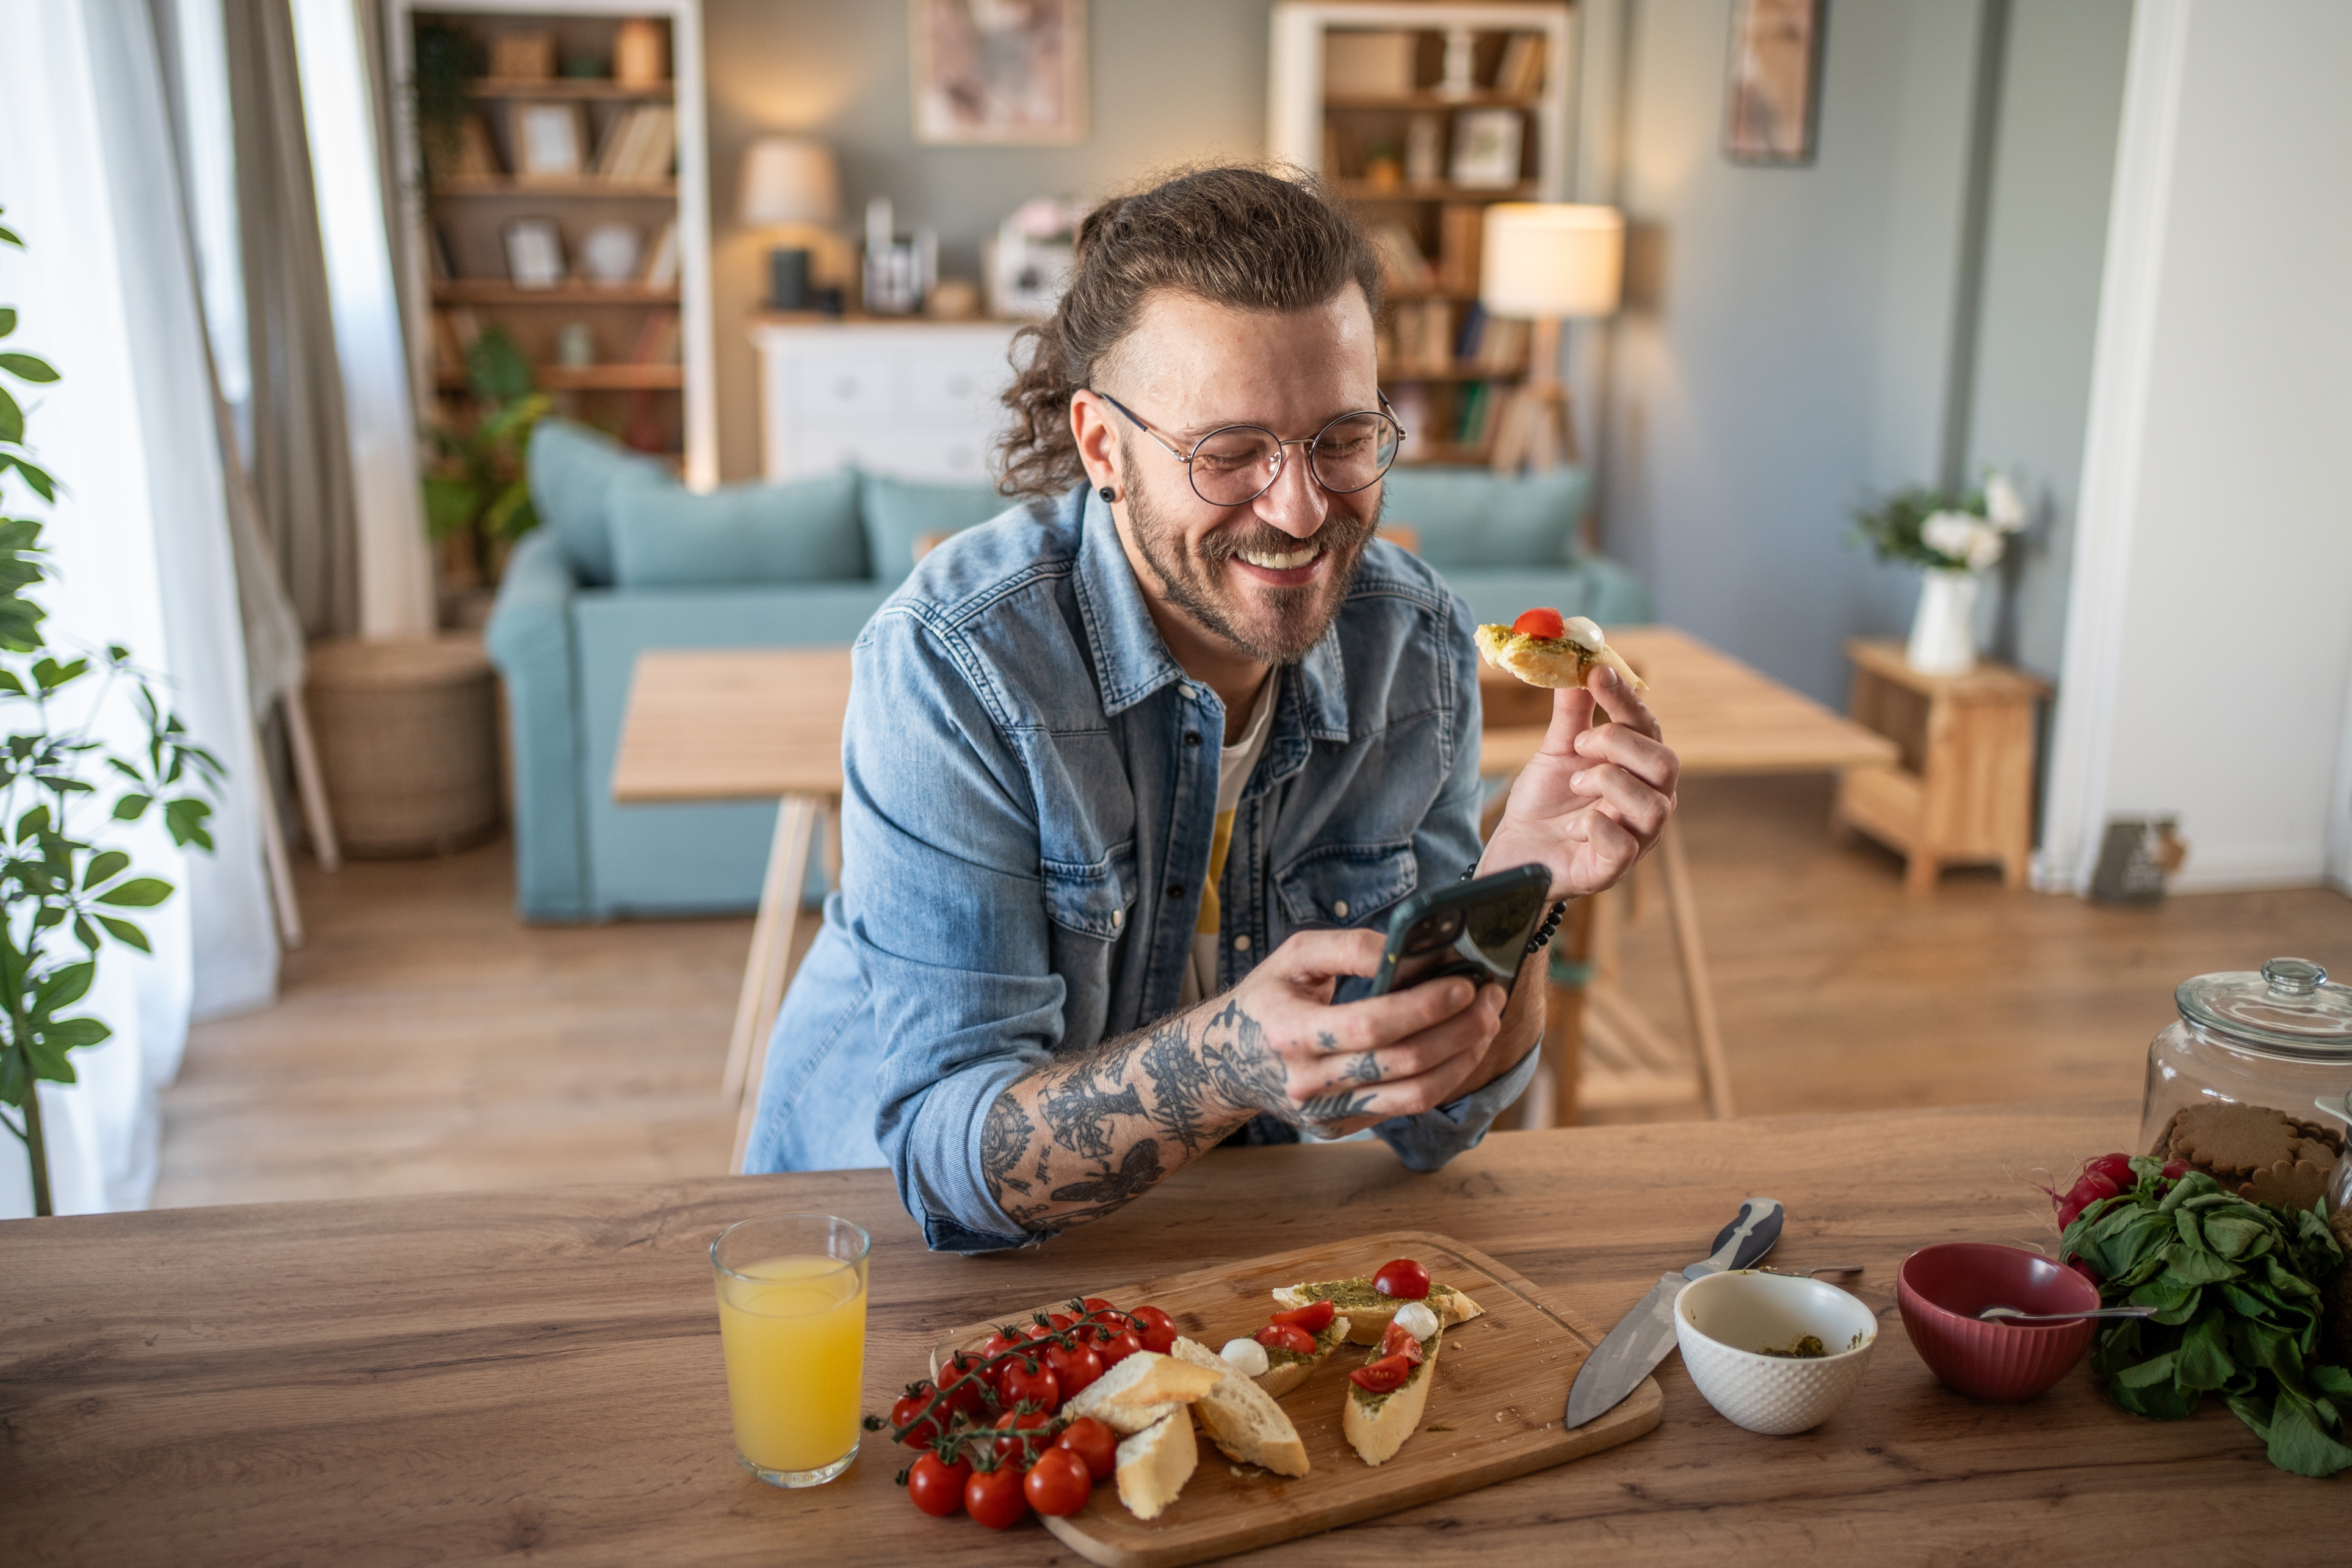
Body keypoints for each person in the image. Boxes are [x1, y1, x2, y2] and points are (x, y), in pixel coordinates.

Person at [743, 166, 1678, 1251]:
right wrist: (1226, 1060)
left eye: (1341, 439)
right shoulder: (954, 664)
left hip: (1214, 1250)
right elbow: (948, 1166)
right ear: (1102, 445)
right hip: (862, 1250)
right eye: (1228, 453)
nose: (1299, 509)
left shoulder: (1414, 648)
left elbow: (1434, 1122)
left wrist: (1521, 889)